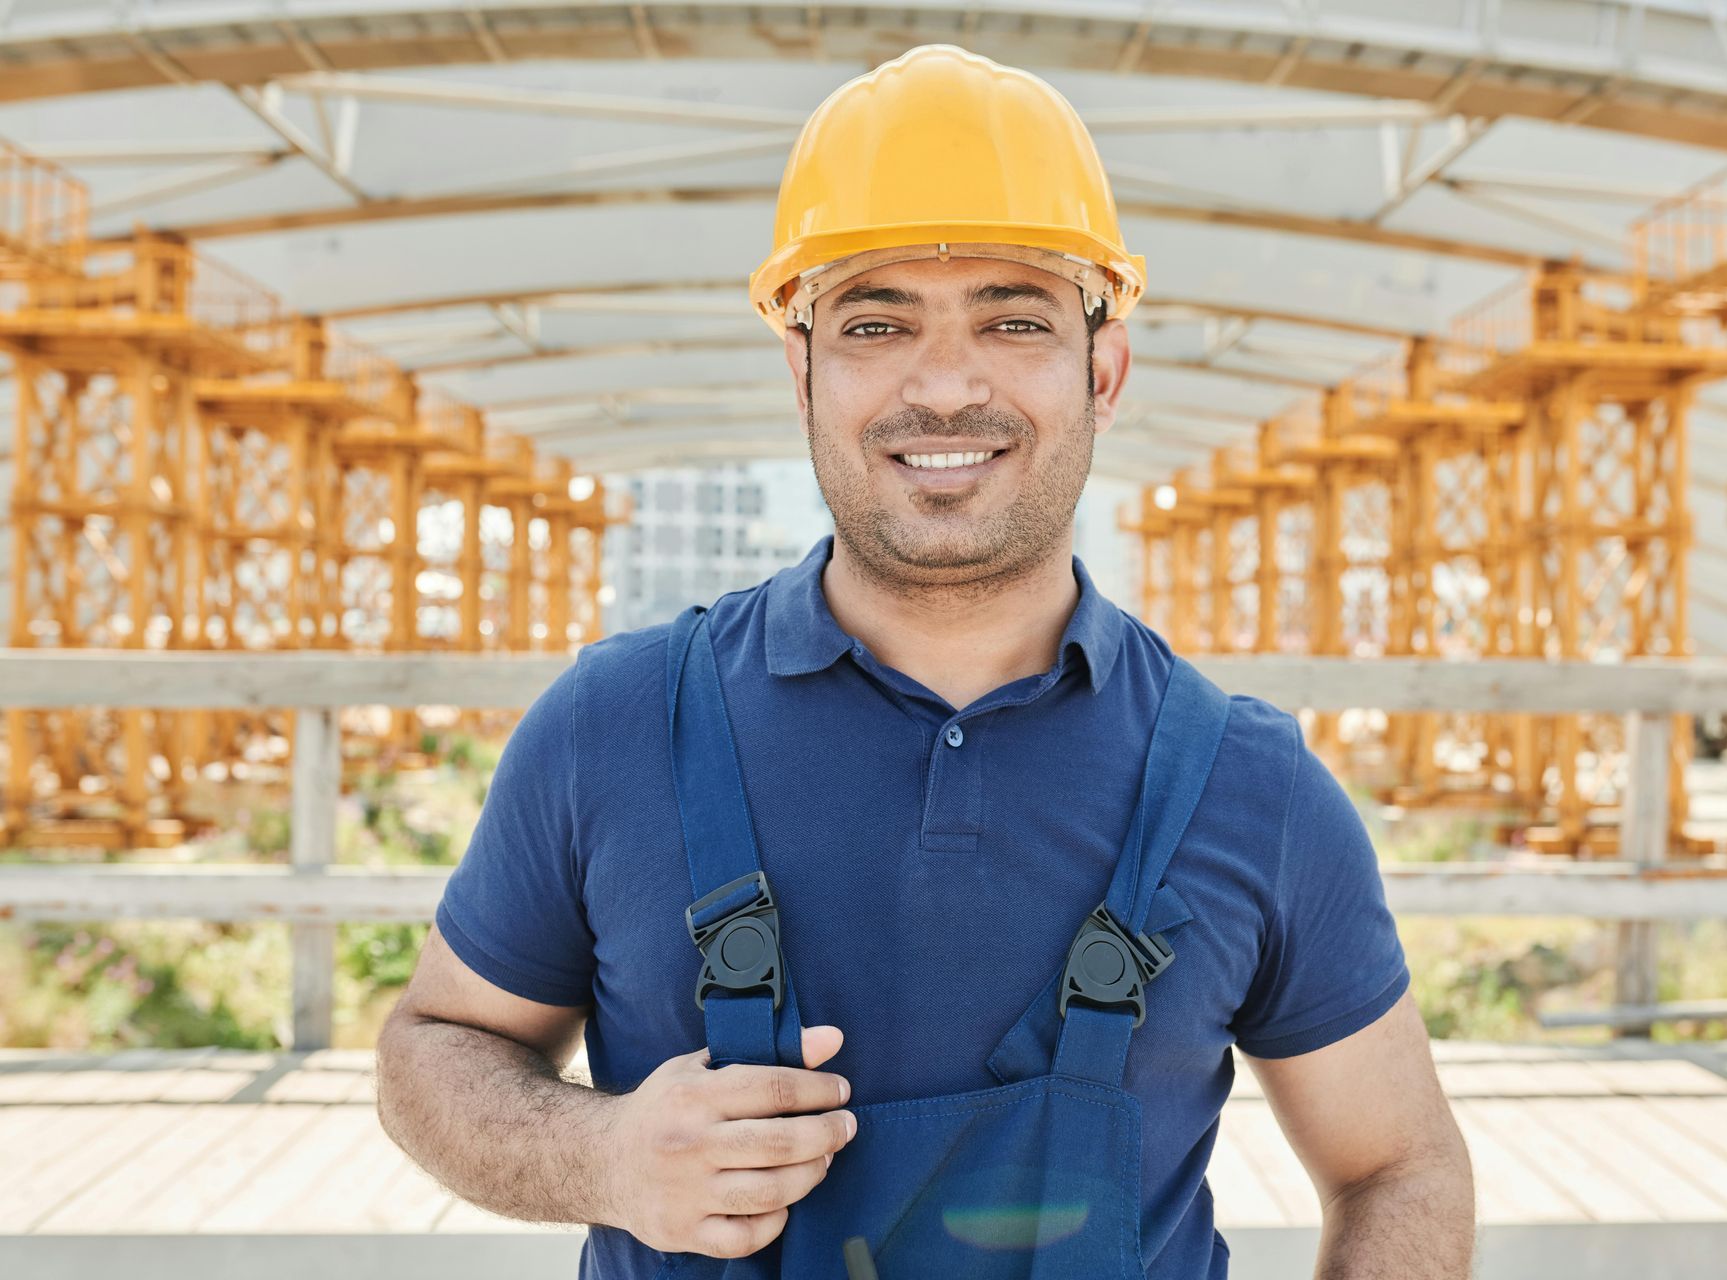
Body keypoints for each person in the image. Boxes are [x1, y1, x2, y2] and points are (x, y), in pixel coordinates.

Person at [376, 43, 1474, 1279]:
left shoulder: (1249, 785)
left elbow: (1400, 1164)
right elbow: (434, 1042)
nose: (945, 385)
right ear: (800, 370)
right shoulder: (616, 724)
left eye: (1013, 317)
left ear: (1102, 369)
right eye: (875, 320)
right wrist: (604, 1155)